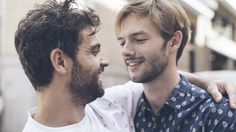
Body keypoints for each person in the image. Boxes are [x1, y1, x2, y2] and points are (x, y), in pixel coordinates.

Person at [15, 0, 235, 132]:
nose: (109, 59)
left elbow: (160, 75)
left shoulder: (110, 104)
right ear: (60, 62)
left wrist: (209, 81)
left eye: (138, 39)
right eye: (93, 51)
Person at [115, 0, 236, 131]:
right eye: (122, 43)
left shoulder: (217, 113)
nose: (125, 51)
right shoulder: (124, 110)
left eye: (139, 40)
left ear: (173, 42)